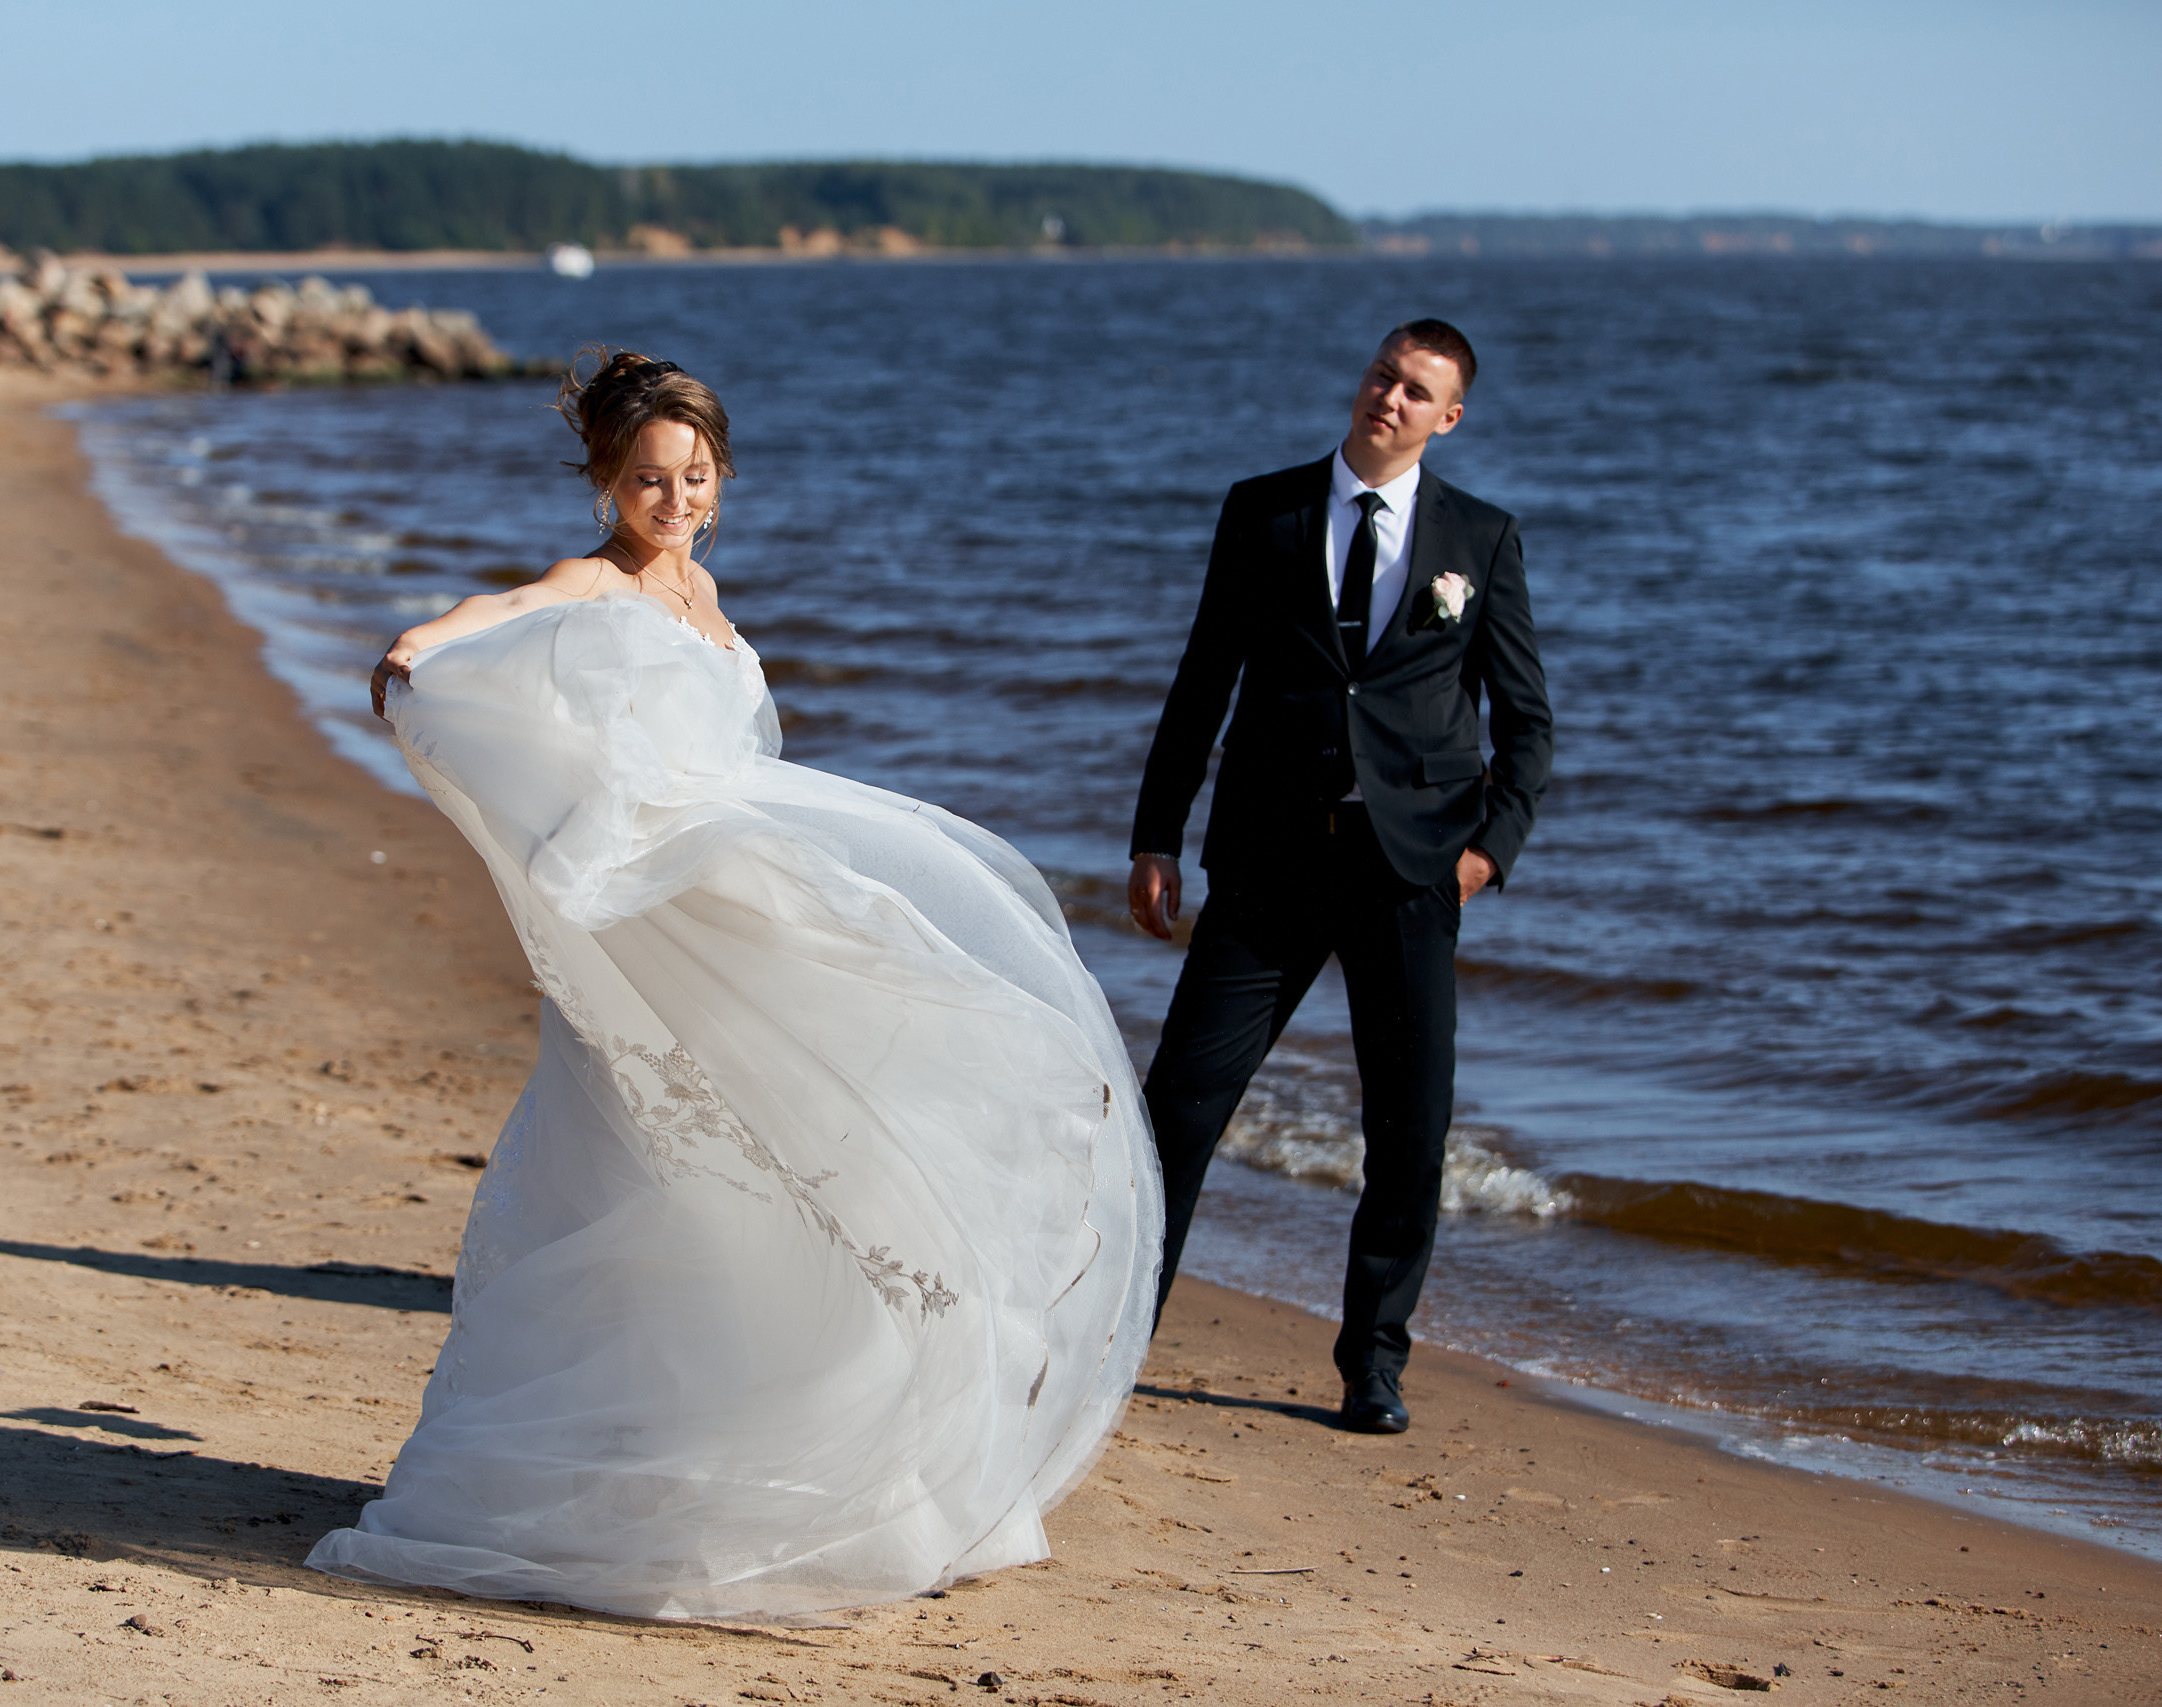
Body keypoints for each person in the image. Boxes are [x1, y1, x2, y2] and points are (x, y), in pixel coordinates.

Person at [305, 351, 1163, 1620]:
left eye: (694, 477)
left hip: (734, 909)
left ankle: (790, 1467)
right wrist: (421, 641)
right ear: (607, 481)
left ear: (720, 480)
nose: (674, 499)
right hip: (666, 919)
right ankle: (628, 1477)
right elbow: (498, 610)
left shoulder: (704, 589)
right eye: (650, 479)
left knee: (822, 1143)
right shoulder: (591, 584)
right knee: (667, 1178)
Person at [1127, 320, 1553, 1435]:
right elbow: (1201, 681)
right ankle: (1115, 1335)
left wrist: (1484, 854)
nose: (1390, 400)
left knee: (1410, 1132)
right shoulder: (1261, 510)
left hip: (1409, 874)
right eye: (1382, 376)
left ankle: (1373, 1365)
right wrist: (1155, 835)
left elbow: (1527, 724)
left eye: (1417, 392)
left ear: (1447, 417)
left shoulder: (1483, 538)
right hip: (1267, 858)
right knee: (1176, 1106)